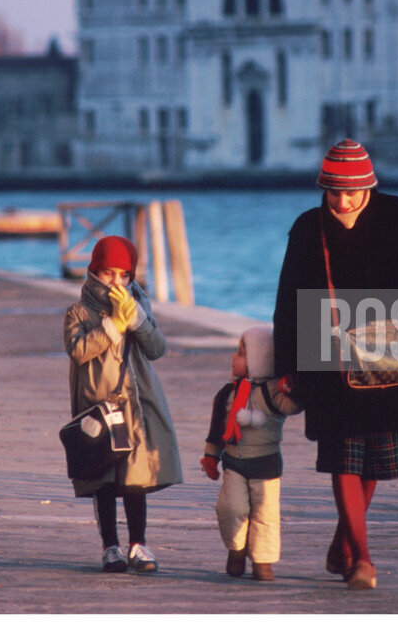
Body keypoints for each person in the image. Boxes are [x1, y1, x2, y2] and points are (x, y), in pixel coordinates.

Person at [273, 139, 398, 590]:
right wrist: (286, 365)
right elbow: (287, 300)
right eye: (333, 192)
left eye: (349, 191)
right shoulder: (308, 228)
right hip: (326, 357)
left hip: (393, 354)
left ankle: (344, 540)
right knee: (342, 456)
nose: (341, 200)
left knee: (375, 460)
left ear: (368, 185)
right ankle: (362, 559)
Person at [64, 235, 183, 573]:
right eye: (108, 273)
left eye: (123, 275)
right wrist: (112, 326)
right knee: (103, 478)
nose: (116, 281)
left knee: (135, 476)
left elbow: (157, 349)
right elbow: (79, 350)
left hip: (137, 402)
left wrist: (136, 321)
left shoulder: (138, 303)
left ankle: (138, 545)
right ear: (94, 272)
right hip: (97, 404)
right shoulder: (78, 310)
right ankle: (109, 547)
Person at [201, 325, 301, 581]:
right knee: (230, 508)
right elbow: (216, 429)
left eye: (241, 354)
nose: (234, 358)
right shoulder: (227, 393)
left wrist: (296, 390)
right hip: (234, 462)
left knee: (266, 513)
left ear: (260, 359)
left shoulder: (273, 393)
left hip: (266, 465)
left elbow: (291, 407)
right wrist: (211, 456)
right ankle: (237, 548)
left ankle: (263, 560)